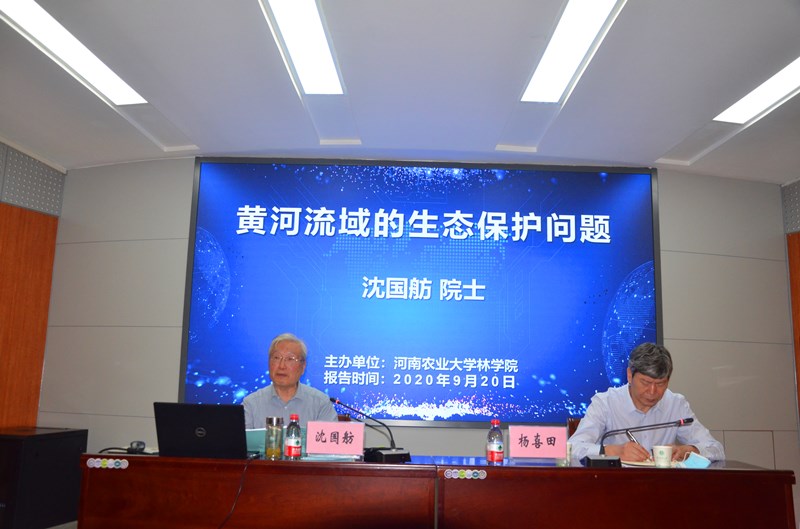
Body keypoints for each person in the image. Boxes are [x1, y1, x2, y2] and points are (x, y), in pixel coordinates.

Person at [568, 342, 725, 463]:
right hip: (615, 486)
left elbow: (716, 449)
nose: (652, 391)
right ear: (630, 375)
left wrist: (689, 451)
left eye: (660, 384)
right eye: (645, 382)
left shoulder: (676, 404)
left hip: (662, 486)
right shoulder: (605, 403)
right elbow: (572, 448)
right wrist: (614, 451)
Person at [243, 333, 338, 429]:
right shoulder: (251, 404)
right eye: (276, 358)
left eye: (290, 359)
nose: (281, 366)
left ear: (303, 366)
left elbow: (330, 437)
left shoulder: (320, 404)